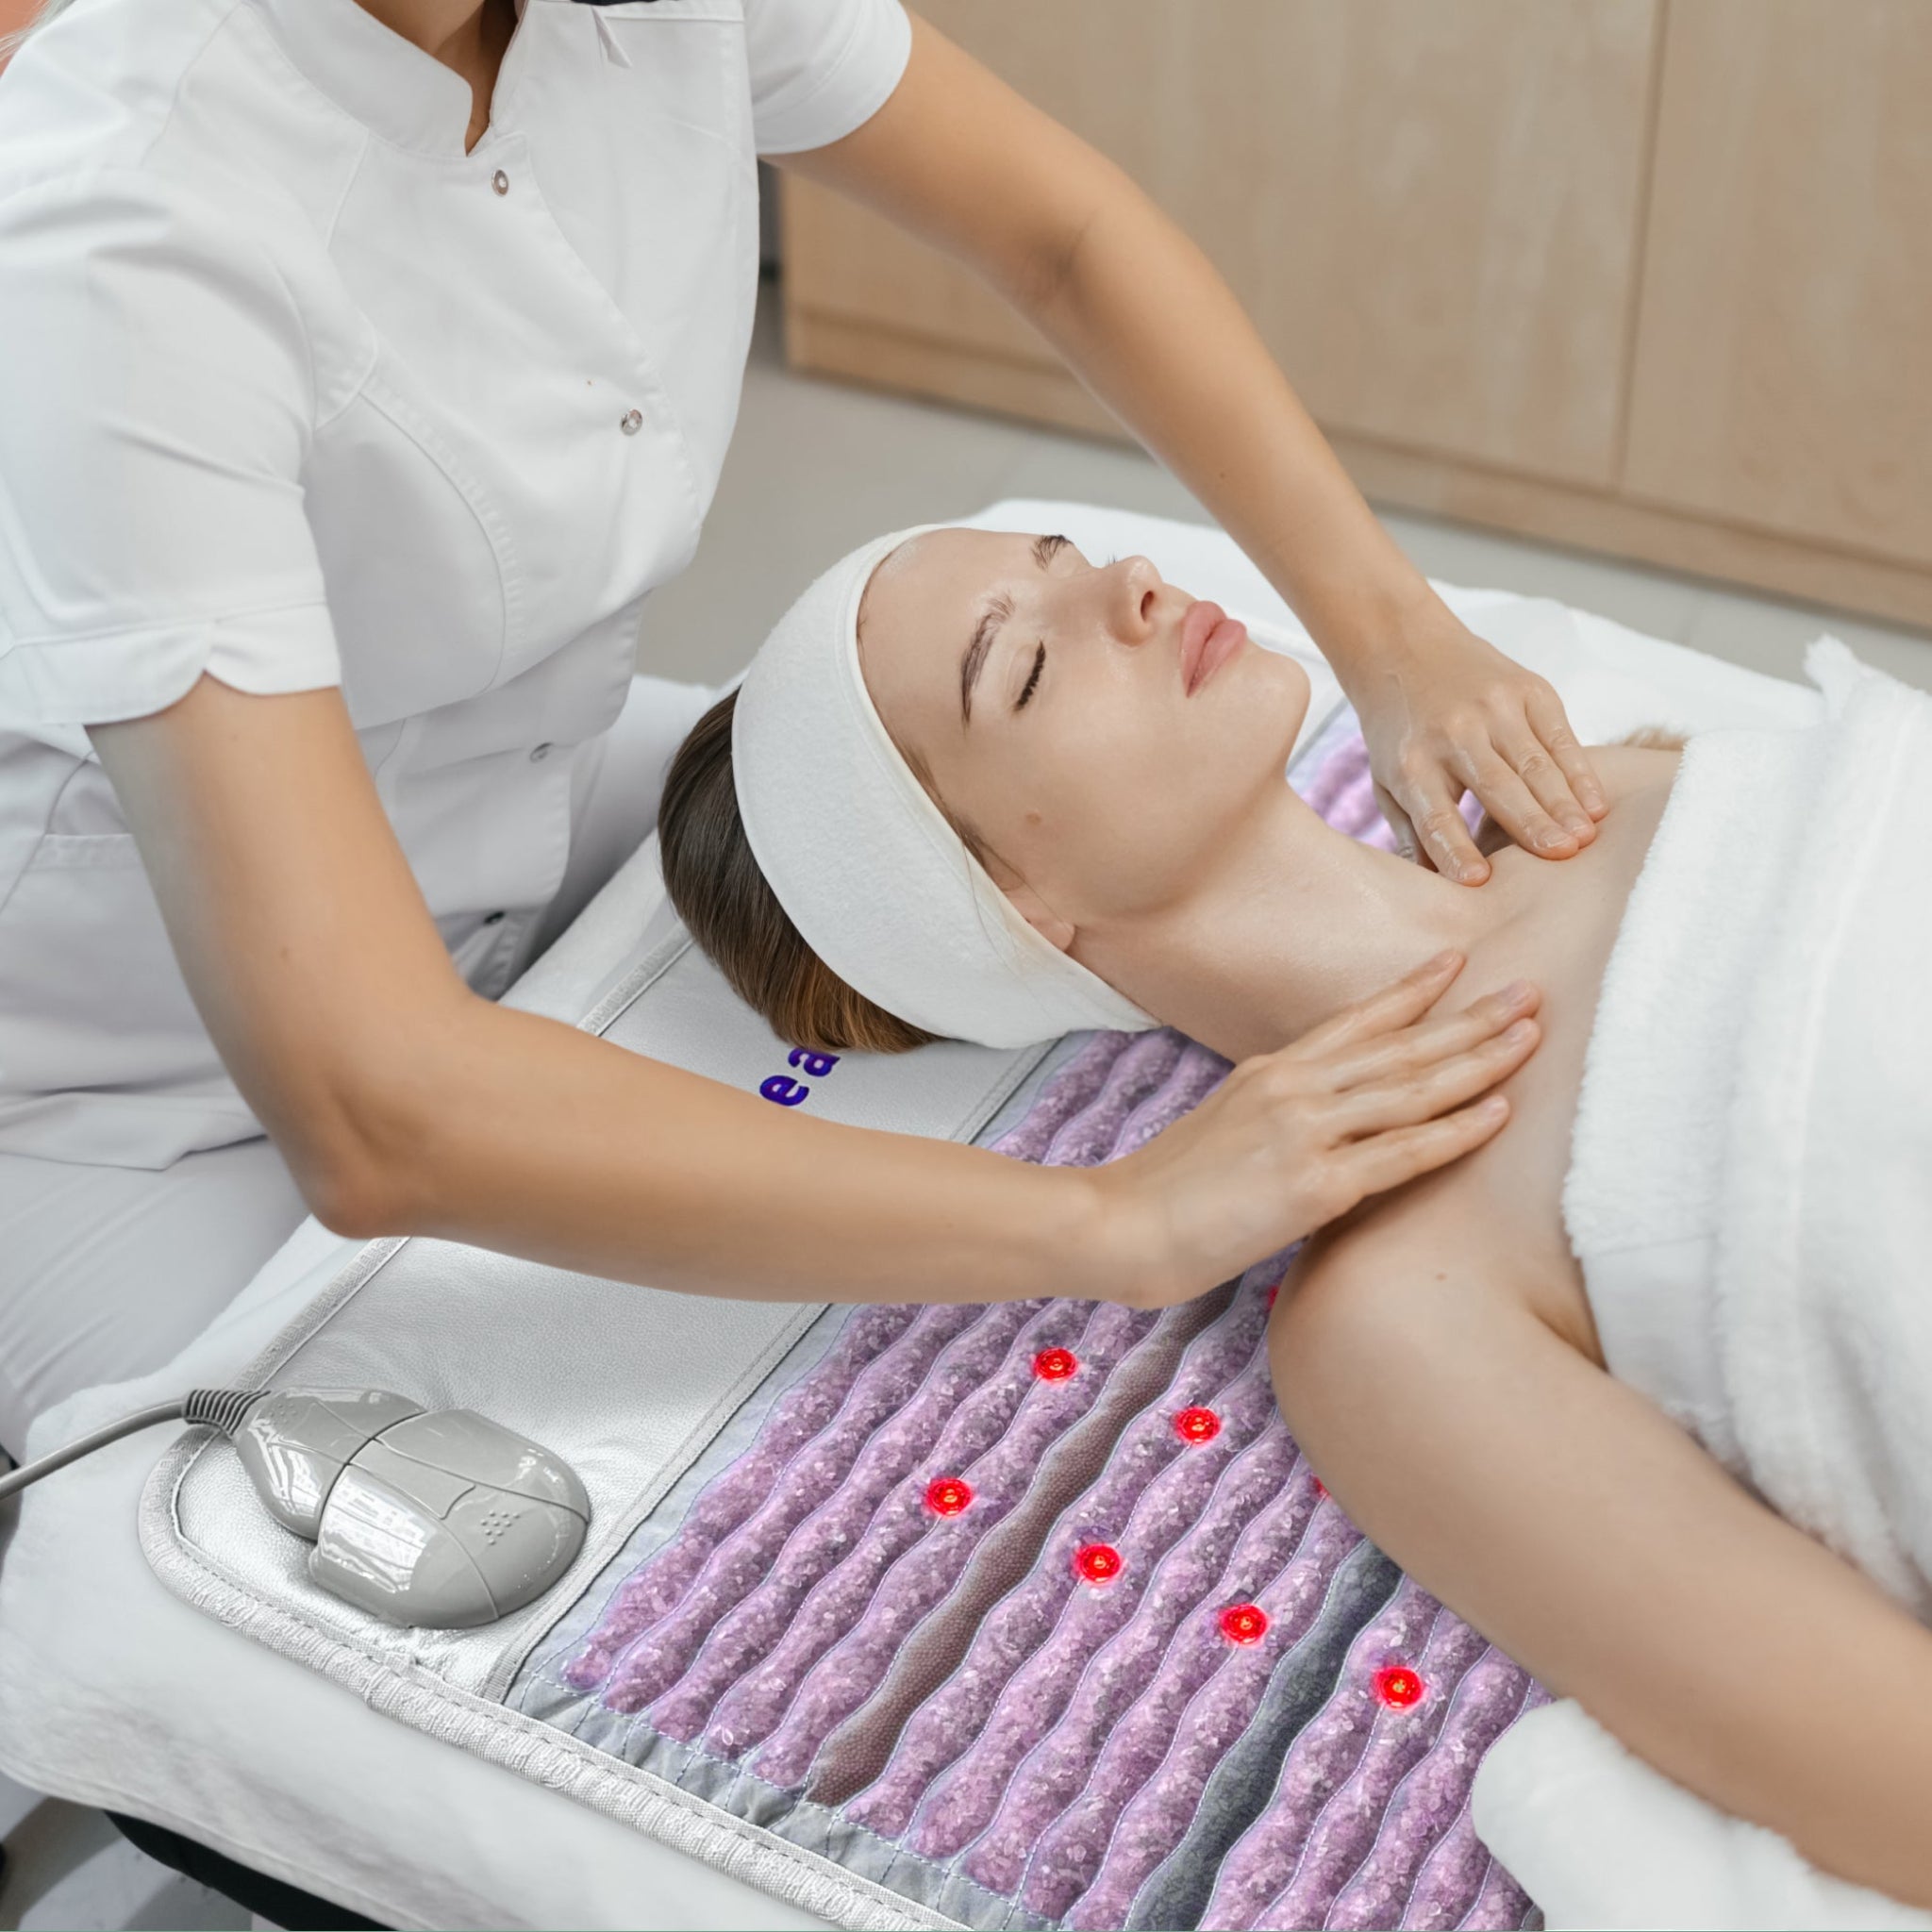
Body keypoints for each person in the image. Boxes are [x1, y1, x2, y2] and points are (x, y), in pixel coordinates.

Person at [0, 0, 1600, 1457]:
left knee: (857, 805)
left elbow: (1062, 237)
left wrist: (1394, 636)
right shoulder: (128, 227)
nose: (1123, 590)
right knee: (282, 1540)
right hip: (114, 1070)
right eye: (1031, 652)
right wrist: (1114, 1222)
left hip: (505, 778)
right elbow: (375, 1105)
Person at [657, 522, 1932, 1912]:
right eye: (1022, 666)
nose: (1131, 587)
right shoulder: (1391, 1316)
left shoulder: (1605, 782)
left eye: (1068, 553)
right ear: (1008, 906)